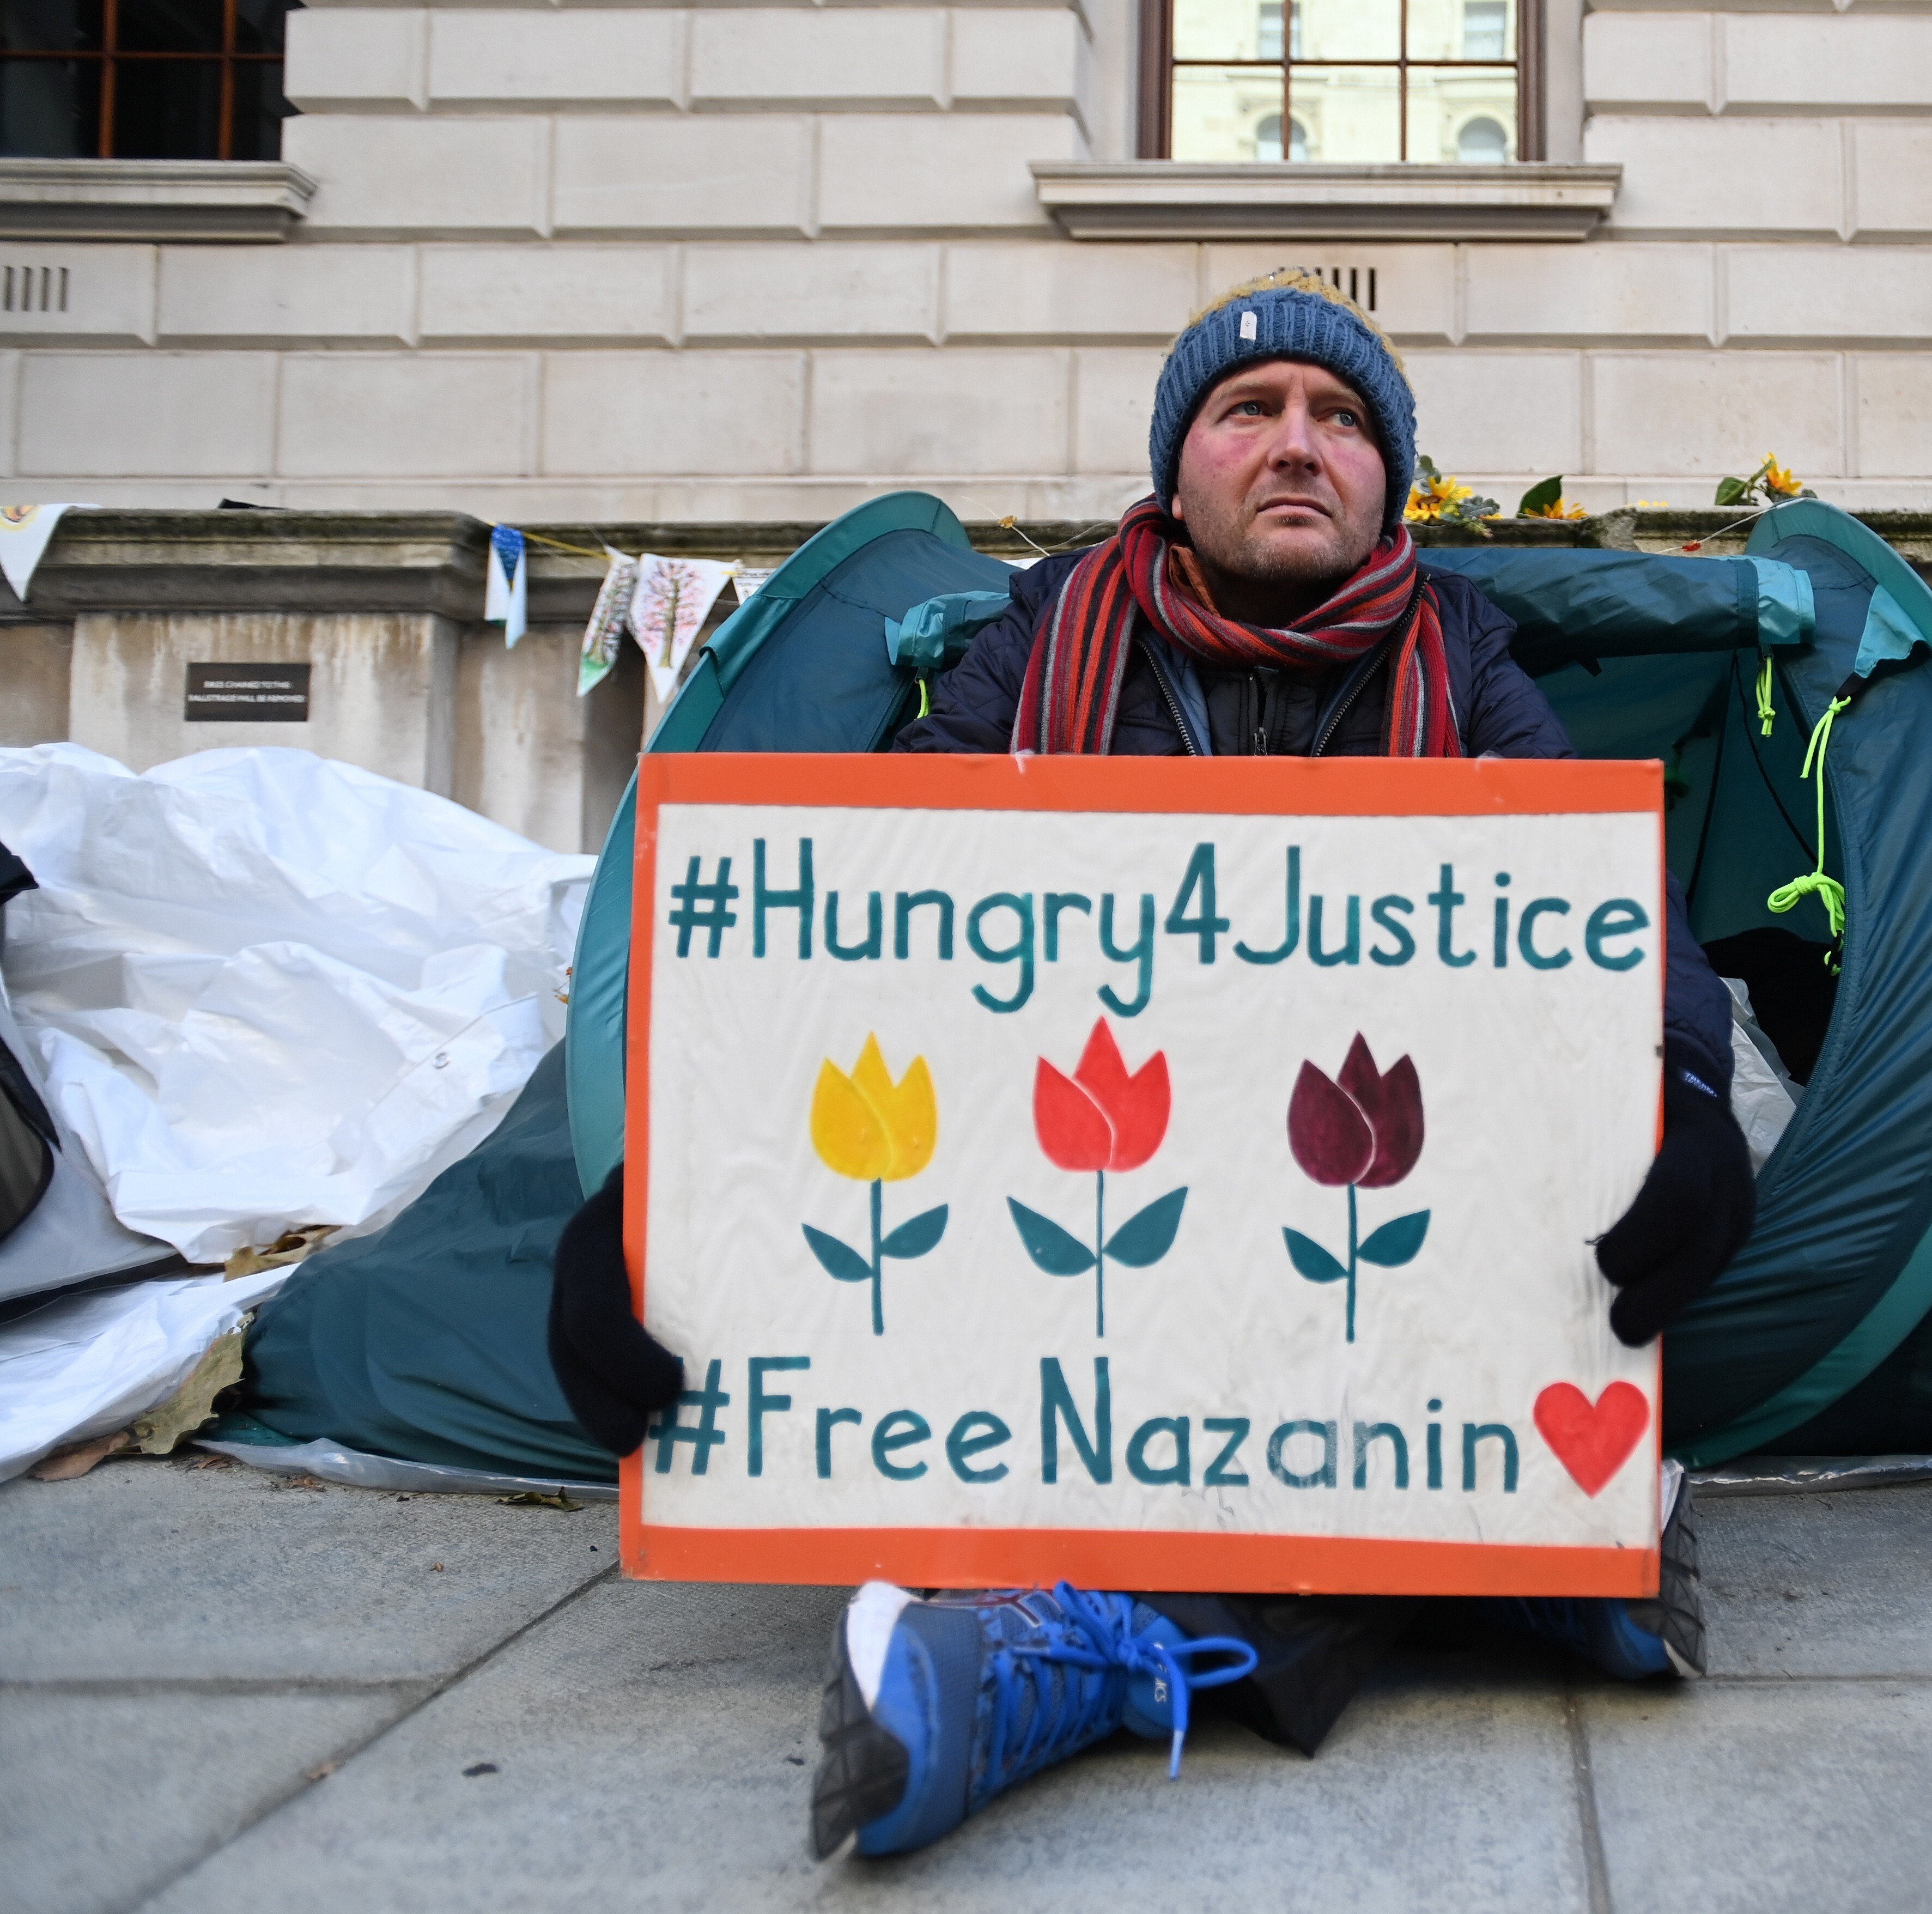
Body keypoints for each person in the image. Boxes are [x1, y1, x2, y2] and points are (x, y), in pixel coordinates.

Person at [544, 270, 1758, 1863]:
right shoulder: (1039, 646)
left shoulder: (1463, 661)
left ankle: (1067, 1641)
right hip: (1111, 1228)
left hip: (1370, 1234)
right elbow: (857, 945)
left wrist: (1685, 1089)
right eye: (1247, 413)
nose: (1297, 446)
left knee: (1518, 1258)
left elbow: (1605, 919)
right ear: (1176, 474)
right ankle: (1530, 1565)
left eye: (1340, 420)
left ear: (1390, 477)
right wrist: (661, 1201)